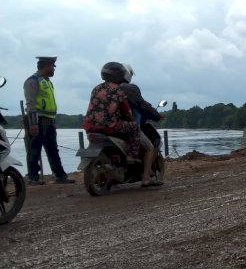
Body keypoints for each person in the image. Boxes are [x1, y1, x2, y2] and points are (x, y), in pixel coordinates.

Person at [83, 62, 161, 187]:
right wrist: (129, 119)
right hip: (109, 126)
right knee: (134, 128)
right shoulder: (119, 91)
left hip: (90, 126)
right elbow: (127, 111)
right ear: (120, 75)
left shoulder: (96, 88)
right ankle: (134, 161)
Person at [23, 56, 75, 185]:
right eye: (52, 67)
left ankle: (60, 176)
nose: (53, 69)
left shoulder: (46, 81)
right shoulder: (32, 81)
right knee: (34, 149)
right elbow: (31, 104)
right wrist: (33, 123)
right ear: (46, 66)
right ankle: (33, 177)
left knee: (52, 149)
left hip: (49, 120)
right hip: (38, 120)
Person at [120, 64, 162, 183]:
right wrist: (156, 116)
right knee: (149, 147)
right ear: (128, 74)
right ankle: (145, 178)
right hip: (125, 127)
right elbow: (142, 105)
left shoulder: (106, 88)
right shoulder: (129, 89)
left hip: (102, 126)